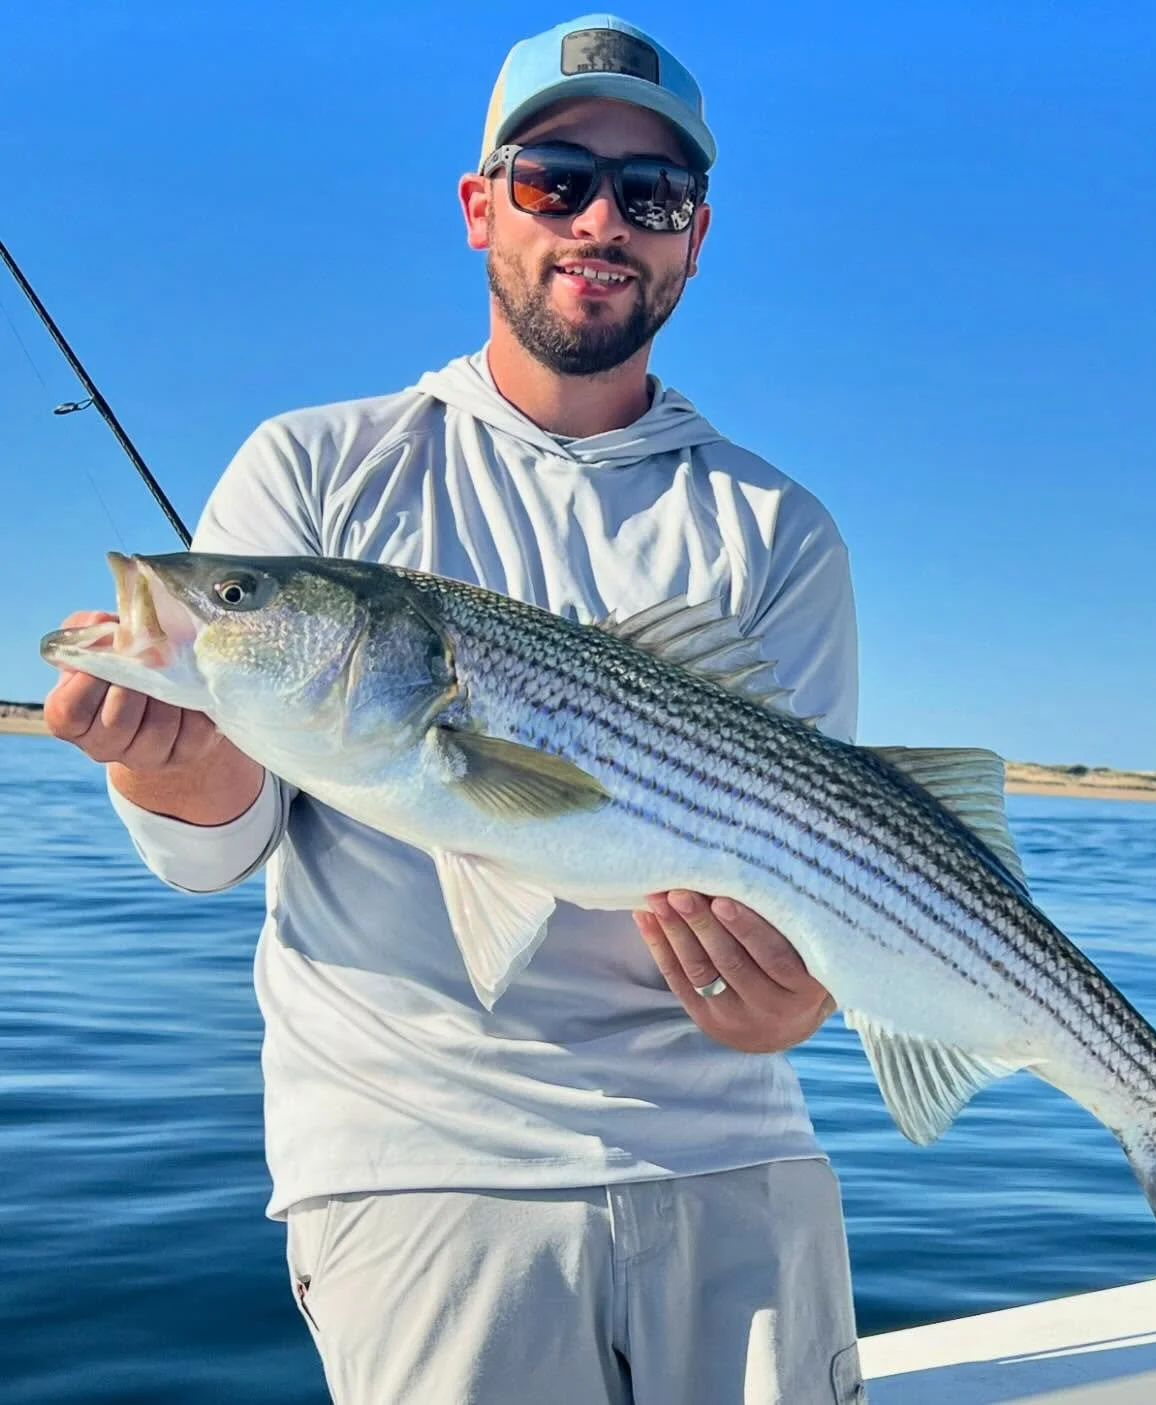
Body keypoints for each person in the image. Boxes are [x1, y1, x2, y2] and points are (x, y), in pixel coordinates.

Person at [44, 14, 865, 1404]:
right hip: (423, 1168)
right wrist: (172, 776)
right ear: (482, 207)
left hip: (735, 1154)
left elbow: (823, 888)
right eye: (556, 178)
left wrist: (798, 1003)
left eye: (649, 195)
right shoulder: (315, 469)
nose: (602, 219)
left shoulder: (779, 530)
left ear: (694, 237)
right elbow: (217, 849)